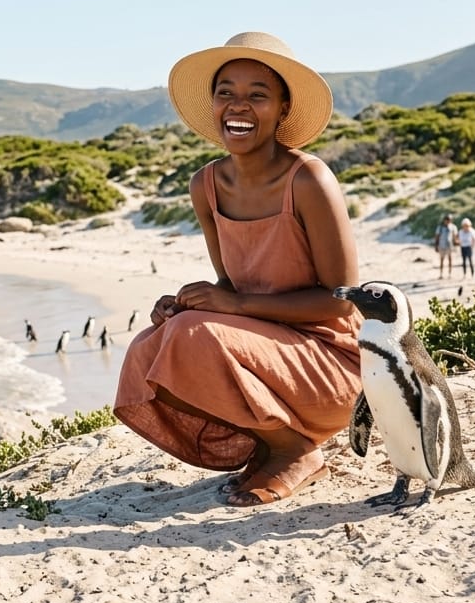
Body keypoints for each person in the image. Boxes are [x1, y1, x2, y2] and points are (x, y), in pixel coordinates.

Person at [113, 32, 362, 507]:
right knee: (149, 350)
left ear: (283, 109)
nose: (238, 106)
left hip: (334, 363)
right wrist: (188, 306)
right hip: (267, 352)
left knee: (194, 337)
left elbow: (343, 301)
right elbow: (234, 283)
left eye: (257, 95)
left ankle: (296, 451)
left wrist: (231, 306)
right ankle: (272, 442)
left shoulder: (308, 179)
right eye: (226, 93)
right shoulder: (205, 185)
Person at [434, 214, 456, 279]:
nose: (448, 221)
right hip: (442, 245)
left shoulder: (453, 227)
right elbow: (437, 237)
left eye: (449, 220)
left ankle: (450, 273)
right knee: (442, 259)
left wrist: (455, 244)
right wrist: (436, 245)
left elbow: (454, 236)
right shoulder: (440, 227)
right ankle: (441, 274)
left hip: (449, 245)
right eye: (447, 220)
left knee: (450, 259)